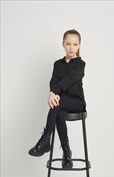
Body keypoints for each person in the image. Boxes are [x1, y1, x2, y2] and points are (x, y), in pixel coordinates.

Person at [28, 29, 87, 169]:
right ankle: (67, 154)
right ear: (63, 44)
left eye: (75, 44)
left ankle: (45, 140)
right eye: (68, 44)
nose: (71, 47)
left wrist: (53, 92)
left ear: (79, 45)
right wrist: (51, 91)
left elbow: (69, 79)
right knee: (58, 110)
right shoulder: (57, 64)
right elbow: (53, 81)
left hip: (77, 103)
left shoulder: (80, 64)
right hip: (60, 103)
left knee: (56, 102)